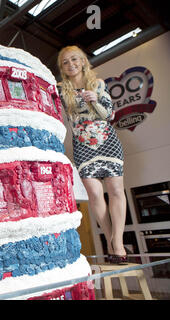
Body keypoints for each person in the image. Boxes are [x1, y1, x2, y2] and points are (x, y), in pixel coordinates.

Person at [56, 45, 127, 264]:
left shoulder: (97, 84)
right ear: (62, 67)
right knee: (95, 195)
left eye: (75, 59)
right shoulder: (60, 89)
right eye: (66, 62)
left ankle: (118, 244)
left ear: (84, 61)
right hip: (82, 147)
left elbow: (109, 115)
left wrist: (94, 99)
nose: (71, 64)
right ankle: (111, 240)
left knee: (115, 191)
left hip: (108, 143)